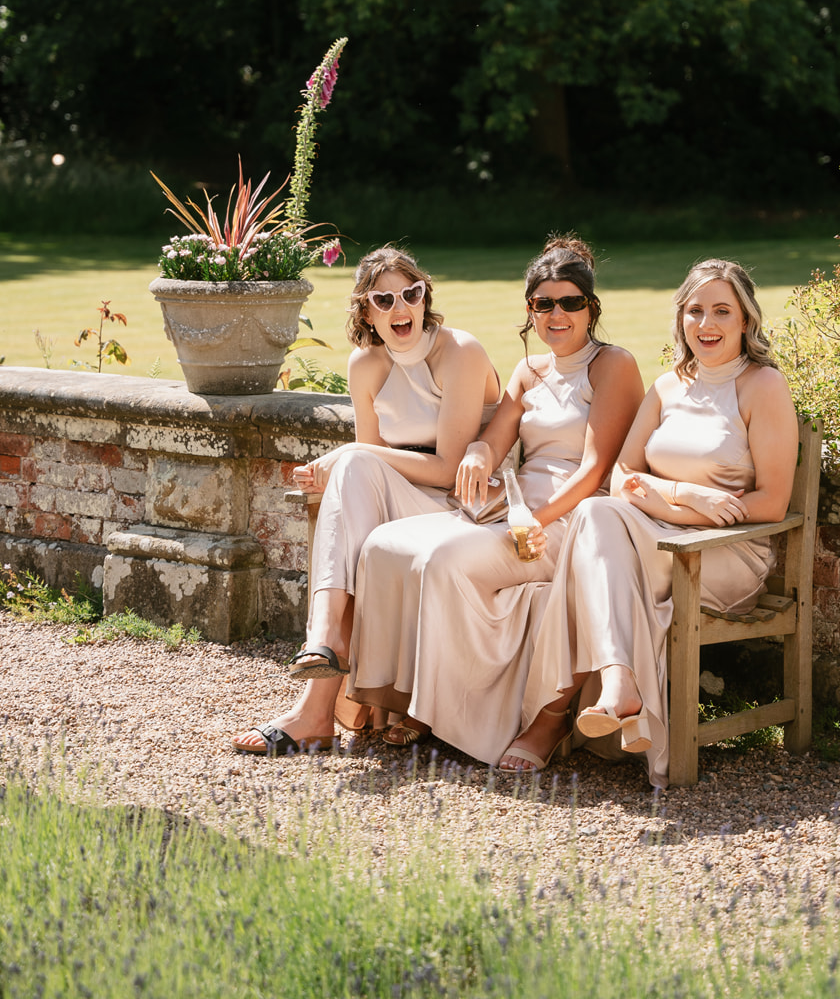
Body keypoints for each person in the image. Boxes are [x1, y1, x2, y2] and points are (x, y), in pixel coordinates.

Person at [346, 235, 645, 763]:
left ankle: (447, 713)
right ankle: (400, 698)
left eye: (570, 302)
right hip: (511, 511)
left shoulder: (612, 365)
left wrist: (535, 522)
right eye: (543, 303)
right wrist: (480, 455)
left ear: (590, 308)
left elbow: (596, 469)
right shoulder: (529, 372)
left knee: (442, 561)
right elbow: (495, 436)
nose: (557, 314)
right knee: (384, 544)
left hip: (573, 523)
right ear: (530, 311)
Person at [504, 257, 798, 785]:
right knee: (595, 511)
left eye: (721, 312)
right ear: (681, 318)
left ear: (746, 321)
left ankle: (559, 717)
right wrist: (685, 494)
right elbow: (621, 479)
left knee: (588, 561)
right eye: (695, 311)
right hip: (665, 538)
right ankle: (619, 681)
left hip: (726, 552)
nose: (706, 325)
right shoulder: (667, 387)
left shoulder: (763, 387)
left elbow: (772, 504)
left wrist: (681, 505)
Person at [233, 245, 500, 756]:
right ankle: (323, 658)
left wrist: (349, 456)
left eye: (411, 294)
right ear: (365, 310)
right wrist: (343, 472)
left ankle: (320, 670)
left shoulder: (460, 352)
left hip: (465, 503)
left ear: (425, 296)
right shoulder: (366, 365)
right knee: (353, 482)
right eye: (384, 299)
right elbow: (370, 462)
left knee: (354, 465)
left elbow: (446, 470)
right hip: (404, 494)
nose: (401, 308)